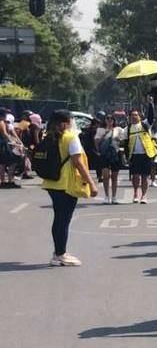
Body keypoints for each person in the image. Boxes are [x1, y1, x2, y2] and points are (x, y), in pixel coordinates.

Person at [38, 110, 97, 266]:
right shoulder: (71, 137)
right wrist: (91, 183)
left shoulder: (49, 137)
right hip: (67, 183)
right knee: (63, 220)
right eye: (71, 120)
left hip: (52, 183)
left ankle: (58, 252)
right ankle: (60, 254)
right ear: (65, 122)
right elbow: (78, 162)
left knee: (59, 219)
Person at [124, 110, 157, 204]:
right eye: (132, 115)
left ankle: (143, 195)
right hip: (134, 155)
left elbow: (151, 117)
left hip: (146, 154)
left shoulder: (145, 125)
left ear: (140, 116)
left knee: (145, 177)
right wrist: (127, 158)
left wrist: (150, 105)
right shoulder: (128, 128)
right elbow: (126, 144)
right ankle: (135, 194)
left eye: (136, 115)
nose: (134, 117)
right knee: (135, 177)